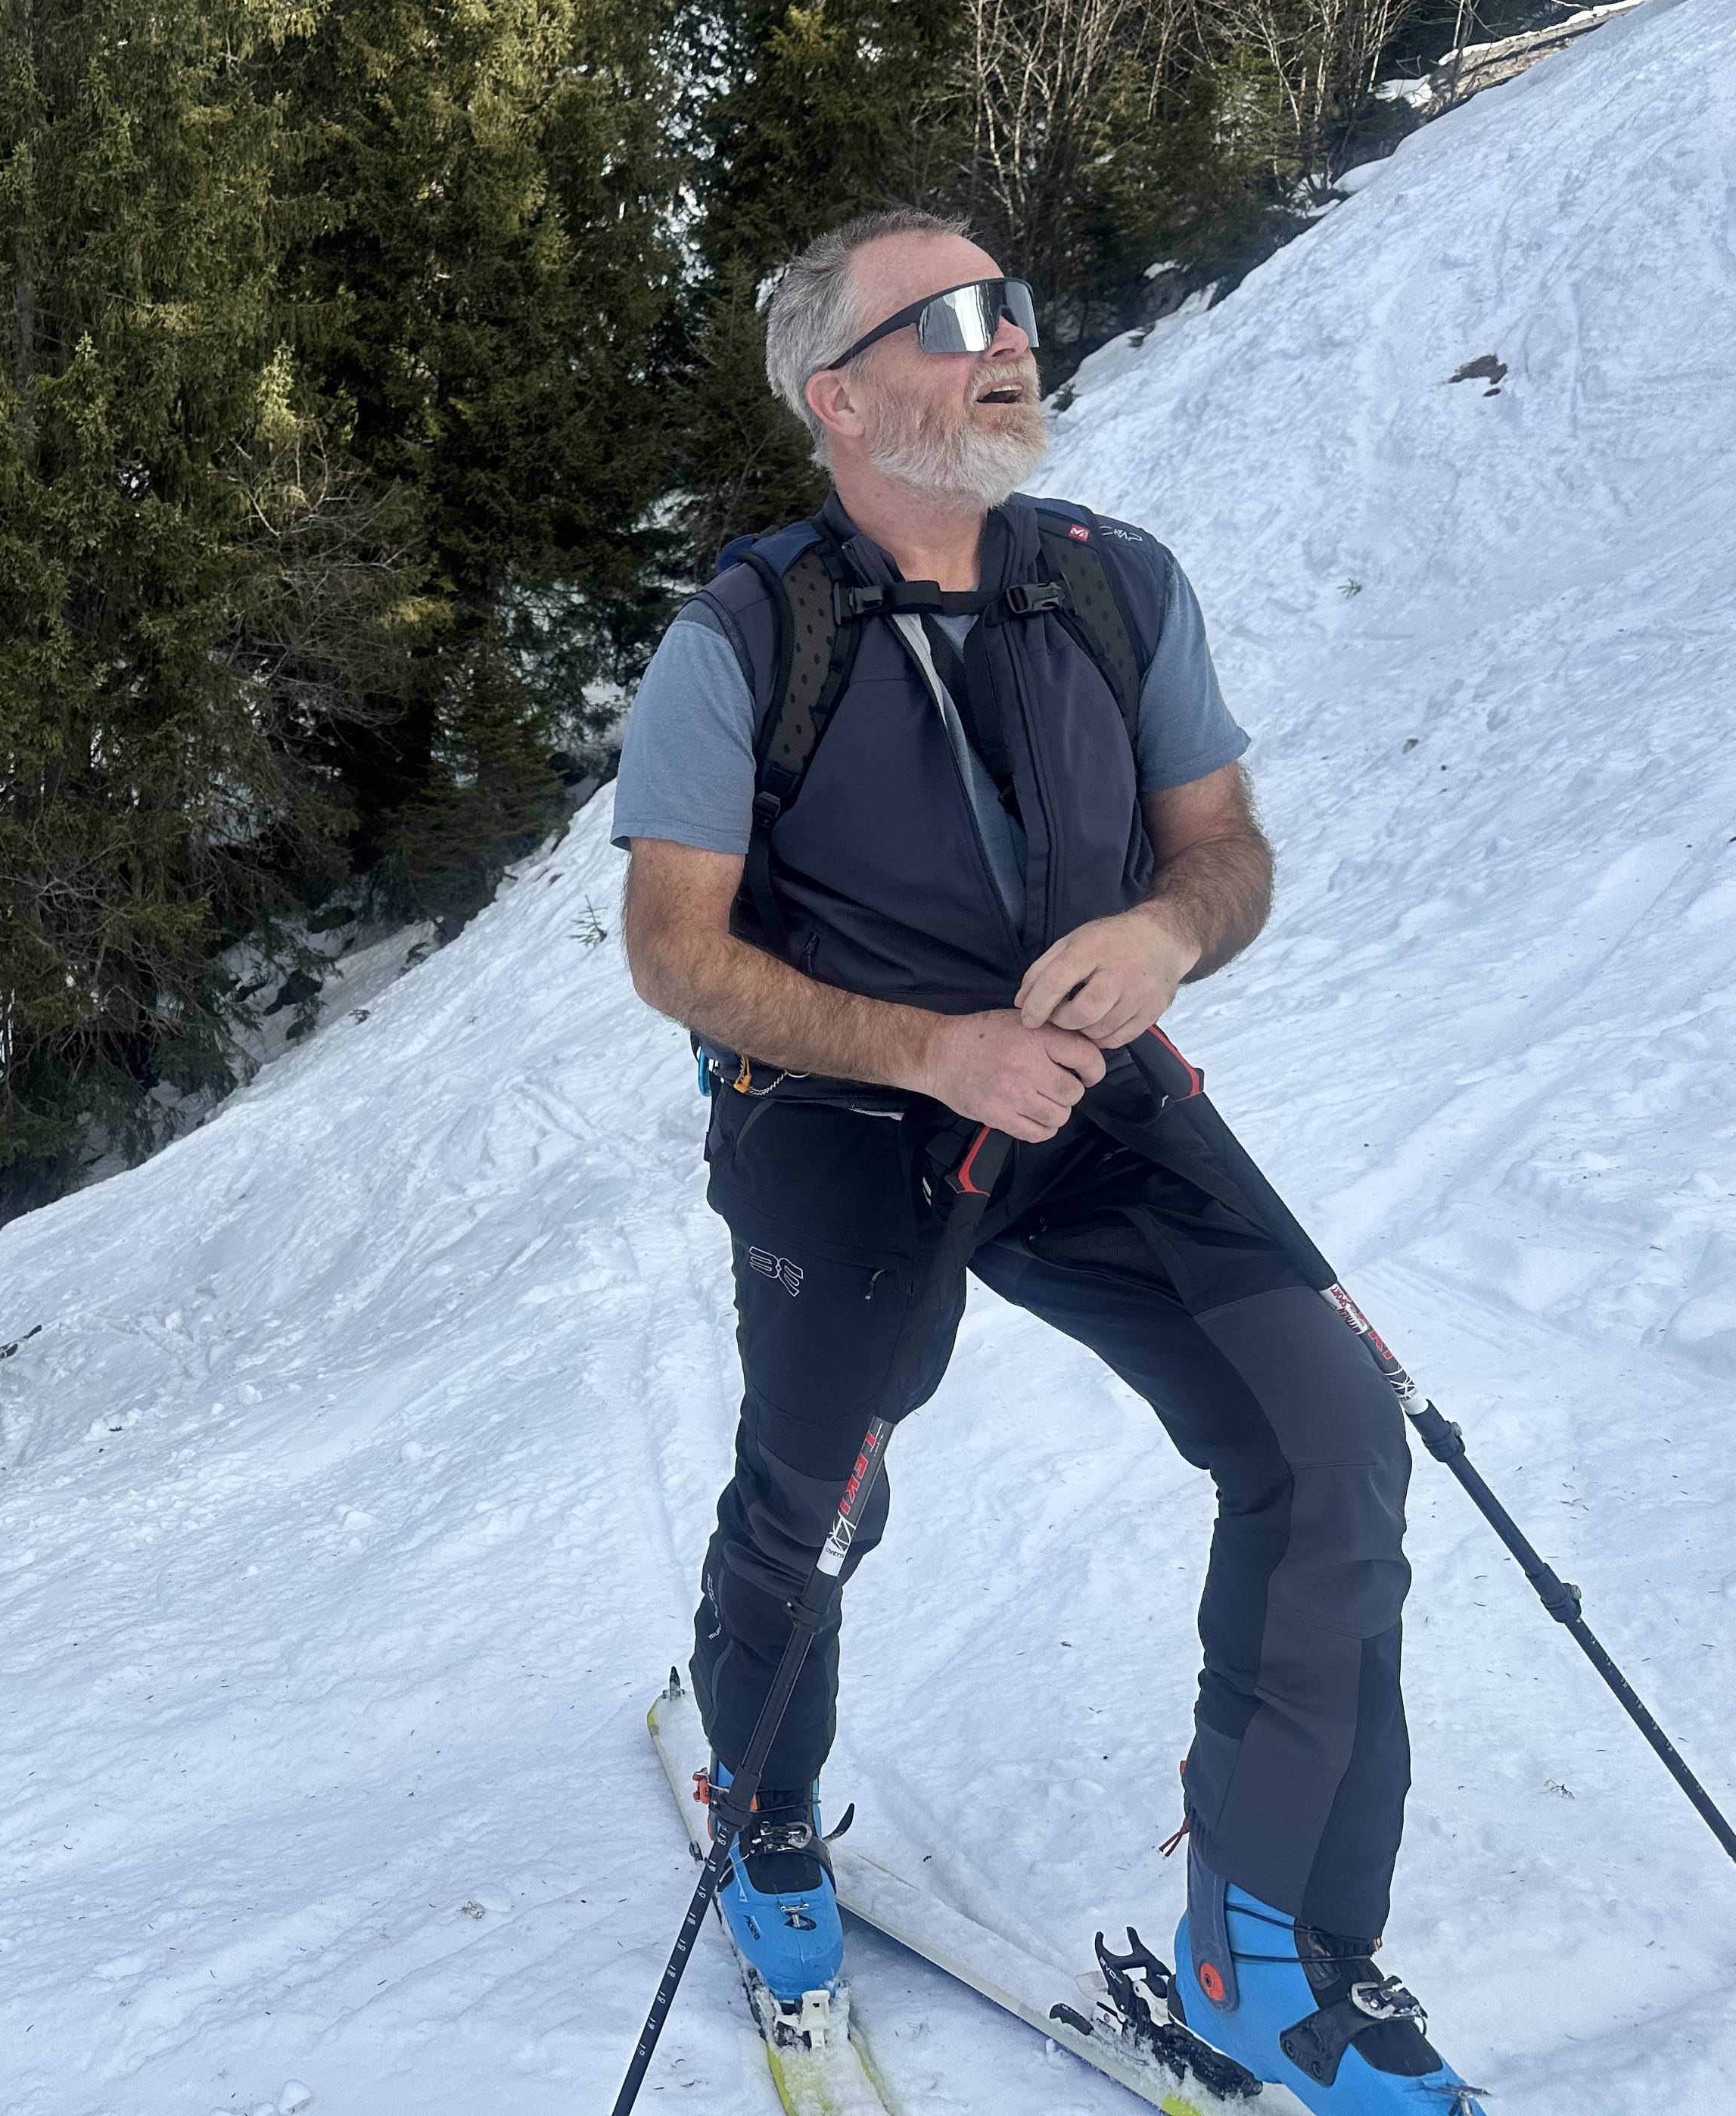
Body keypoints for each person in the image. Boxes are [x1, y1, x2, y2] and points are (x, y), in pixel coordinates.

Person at [611, 208, 1476, 2111]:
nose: (1006, 338)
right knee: (822, 1490)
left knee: (1332, 1434)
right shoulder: (745, 635)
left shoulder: (1113, 583)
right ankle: (766, 1810)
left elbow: (1221, 847)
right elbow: (675, 951)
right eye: (944, 319)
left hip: (1094, 1098)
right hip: (843, 1113)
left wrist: (1166, 934)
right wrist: (934, 1049)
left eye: (1008, 303)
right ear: (839, 400)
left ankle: (1274, 1958)